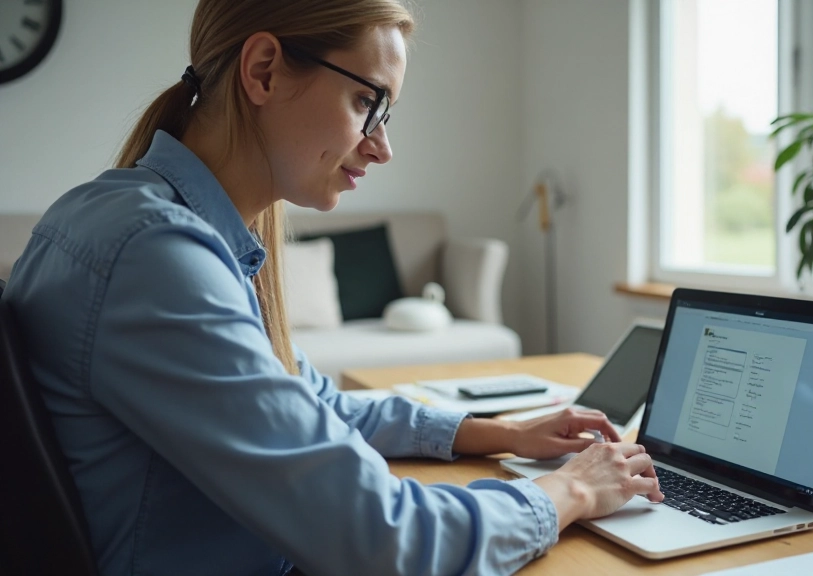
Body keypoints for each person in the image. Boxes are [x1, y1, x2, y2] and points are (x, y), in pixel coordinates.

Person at [0, 1, 663, 574]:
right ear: (263, 71)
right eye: (366, 101)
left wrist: (502, 434)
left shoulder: (128, 216)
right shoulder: (158, 259)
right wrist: (570, 492)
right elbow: (385, 542)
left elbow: (309, 407)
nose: (382, 148)